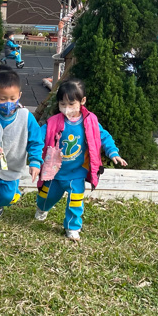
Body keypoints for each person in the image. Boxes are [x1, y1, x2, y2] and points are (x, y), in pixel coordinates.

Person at [35, 79, 127, 241]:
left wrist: (113, 152)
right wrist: (34, 152)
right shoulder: (54, 122)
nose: (67, 108)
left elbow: (103, 136)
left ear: (82, 101)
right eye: (63, 104)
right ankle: (42, 208)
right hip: (54, 172)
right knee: (46, 198)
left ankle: (72, 227)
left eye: (71, 104)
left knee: (76, 202)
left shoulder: (89, 121)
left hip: (77, 173)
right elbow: (39, 138)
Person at [0, 64, 43, 227]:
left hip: (12, 168)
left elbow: (35, 141)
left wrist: (35, 161)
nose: (8, 103)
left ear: (19, 95)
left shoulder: (26, 117)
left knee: (8, 196)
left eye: (12, 99)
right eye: (3, 99)